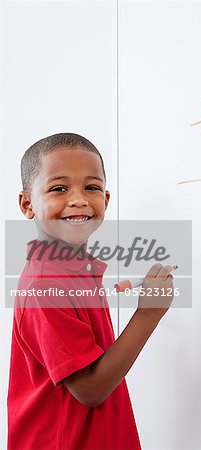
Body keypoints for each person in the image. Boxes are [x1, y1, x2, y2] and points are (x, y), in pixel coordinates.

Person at [7, 132, 175, 450]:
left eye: (92, 187)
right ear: (28, 204)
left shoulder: (73, 268)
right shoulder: (46, 284)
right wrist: (149, 313)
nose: (79, 199)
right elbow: (91, 389)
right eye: (59, 188)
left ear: (106, 200)